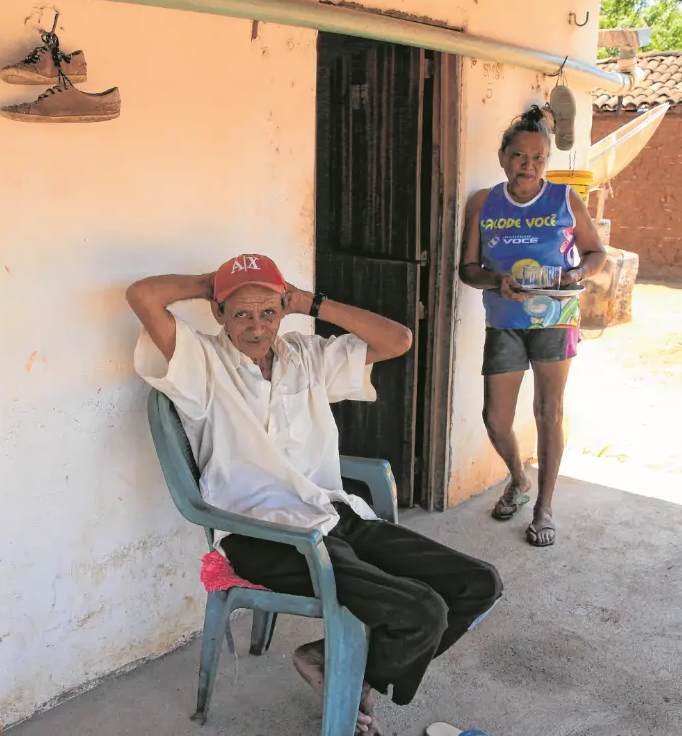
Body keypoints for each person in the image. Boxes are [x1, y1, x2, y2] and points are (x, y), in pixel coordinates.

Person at [127, 254, 501, 735]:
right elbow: (143, 296)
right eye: (241, 313)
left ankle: (339, 667)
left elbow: (398, 340)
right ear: (219, 314)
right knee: (421, 611)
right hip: (266, 537)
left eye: (269, 311)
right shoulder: (200, 363)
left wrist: (310, 302)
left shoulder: (304, 354)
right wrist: (215, 284)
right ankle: (346, 679)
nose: (257, 327)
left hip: (332, 515)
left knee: (478, 583)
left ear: (285, 310)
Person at [458, 106, 607, 548]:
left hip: (555, 318)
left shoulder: (564, 200)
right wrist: (495, 281)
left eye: (539, 158)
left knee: (549, 413)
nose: (529, 165)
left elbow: (597, 254)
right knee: (496, 419)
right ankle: (519, 479)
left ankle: (544, 507)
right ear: (503, 156)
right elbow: (468, 268)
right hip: (504, 319)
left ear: (548, 161)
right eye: (520, 156)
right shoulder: (484, 202)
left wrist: (575, 275)